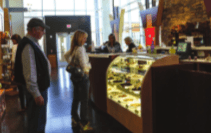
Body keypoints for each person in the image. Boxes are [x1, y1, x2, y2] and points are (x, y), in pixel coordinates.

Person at [14, 18, 51, 133]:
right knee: (37, 123)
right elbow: (30, 71)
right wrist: (36, 93)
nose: (43, 33)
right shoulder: (28, 45)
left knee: (39, 120)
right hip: (37, 91)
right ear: (34, 30)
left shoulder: (33, 43)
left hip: (39, 89)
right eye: (42, 30)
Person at [64, 30, 93, 132]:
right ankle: (84, 123)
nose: (86, 39)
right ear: (80, 38)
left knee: (76, 98)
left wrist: (73, 64)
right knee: (84, 100)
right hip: (82, 77)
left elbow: (65, 56)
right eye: (84, 38)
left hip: (75, 77)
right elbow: (85, 66)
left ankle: (75, 118)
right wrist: (90, 65)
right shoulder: (80, 49)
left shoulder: (74, 48)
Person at [11, 34, 27, 112]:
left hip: (18, 71)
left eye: (13, 40)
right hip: (25, 70)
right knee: (26, 88)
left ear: (15, 40)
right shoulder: (24, 46)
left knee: (20, 89)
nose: (12, 42)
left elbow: (13, 60)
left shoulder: (14, 47)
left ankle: (22, 106)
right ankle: (27, 105)